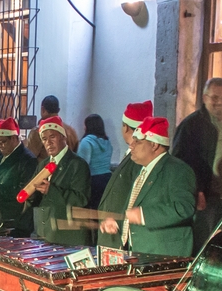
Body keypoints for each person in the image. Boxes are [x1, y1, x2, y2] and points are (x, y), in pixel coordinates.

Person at [99, 116, 197, 257]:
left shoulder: (178, 170)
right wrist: (119, 222)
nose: (131, 145)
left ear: (154, 145)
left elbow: (184, 208)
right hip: (138, 253)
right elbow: (135, 208)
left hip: (163, 255)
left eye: (138, 142)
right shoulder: (141, 171)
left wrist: (144, 215)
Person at [171, 77, 222, 250]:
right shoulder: (192, 125)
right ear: (205, 98)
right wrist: (197, 190)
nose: (219, 102)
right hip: (207, 202)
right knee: (204, 248)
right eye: (214, 97)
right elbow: (180, 163)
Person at [26, 116, 90, 246]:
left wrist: (51, 190)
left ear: (63, 137)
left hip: (68, 236)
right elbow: (37, 199)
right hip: (46, 232)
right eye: (44, 139)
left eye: (52, 137)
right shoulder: (42, 164)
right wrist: (31, 194)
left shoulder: (77, 164)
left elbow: (81, 200)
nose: (48, 143)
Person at [97, 101, 153, 250]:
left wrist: (117, 218)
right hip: (112, 228)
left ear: (126, 127)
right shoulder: (132, 156)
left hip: (117, 231)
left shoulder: (138, 160)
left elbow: (133, 195)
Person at [0, 117, 35, 237]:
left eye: (3, 142)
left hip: (12, 221)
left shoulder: (28, 160)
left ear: (14, 138)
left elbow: (26, 192)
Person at [77, 114, 113, 210]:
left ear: (88, 126)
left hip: (93, 181)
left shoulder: (86, 142)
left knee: (91, 212)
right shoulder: (107, 141)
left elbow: (82, 165)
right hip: (108, 179)